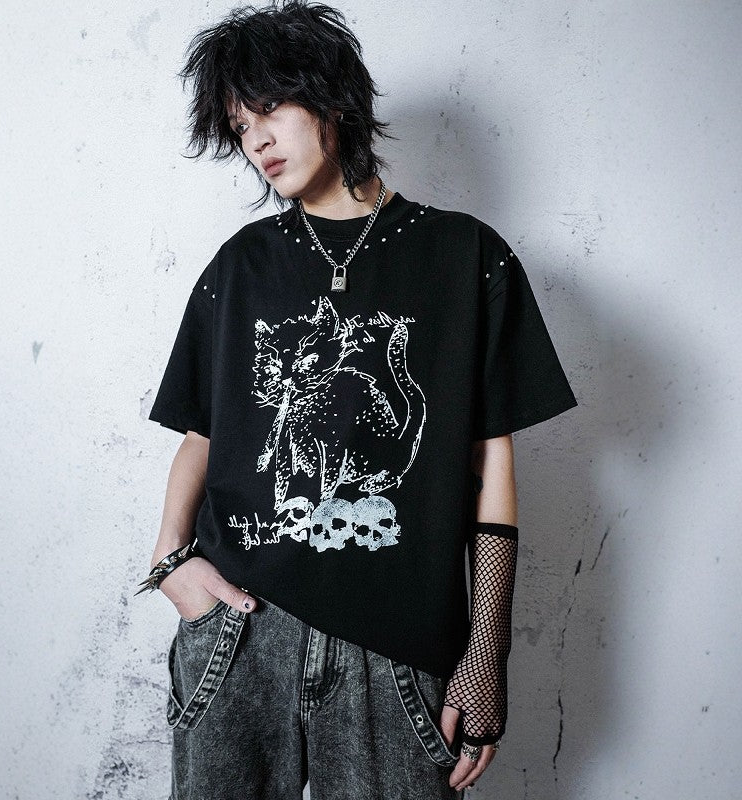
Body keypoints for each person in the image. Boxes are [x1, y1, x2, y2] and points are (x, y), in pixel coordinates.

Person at [140, 2, 578, 798]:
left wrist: (487, 651)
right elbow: (201, 434)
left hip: (397, 652)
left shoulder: (466, 256)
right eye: (240, 127)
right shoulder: (241, 267)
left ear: (332, 98)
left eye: (269, 109)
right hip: (242, 632)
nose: (257, 141)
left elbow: (492, 464)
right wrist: (171, 563)